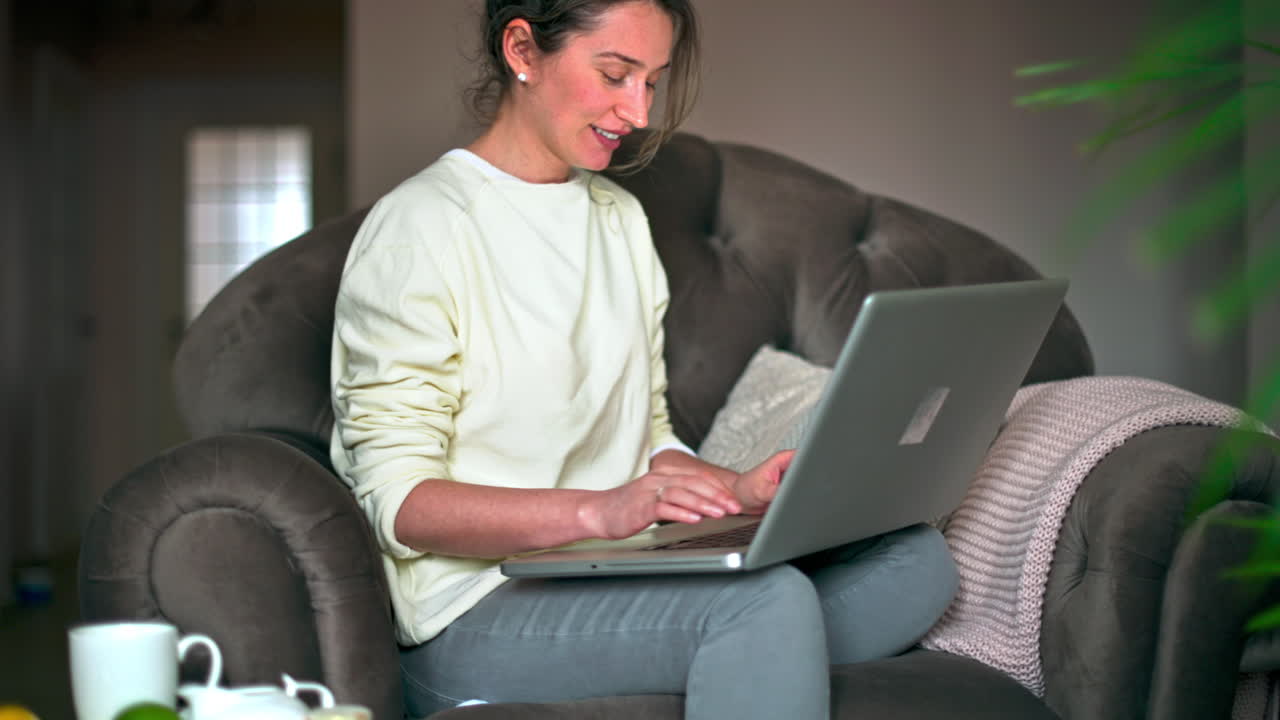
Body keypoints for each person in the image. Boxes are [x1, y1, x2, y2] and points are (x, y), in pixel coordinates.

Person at [328, 1, 959, 717]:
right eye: (616, 74)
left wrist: (738, 493)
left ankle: (740, 657)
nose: (637, 112)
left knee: (916, 561)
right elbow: (401, 503)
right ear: (523, 51)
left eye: (651, 82)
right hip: (474, 608)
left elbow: (647, 434)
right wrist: (602, 512)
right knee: (765, 604)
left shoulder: (618, 220)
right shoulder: (421, 228)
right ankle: (745, 646)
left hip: (607, 570)